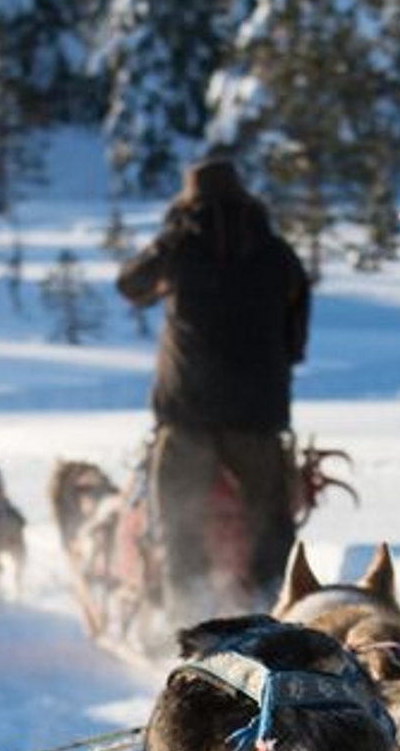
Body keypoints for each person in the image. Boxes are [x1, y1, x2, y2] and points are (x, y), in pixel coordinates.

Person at [117, 157, 312, 615]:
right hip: (258, 412)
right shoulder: (277, 252)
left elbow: (130, 285)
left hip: (186, 409)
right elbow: (296, 336)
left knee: (178, 525)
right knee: (269, 525)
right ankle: (273, 613)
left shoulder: (179, 243)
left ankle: (186, 622)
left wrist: (171, 237)